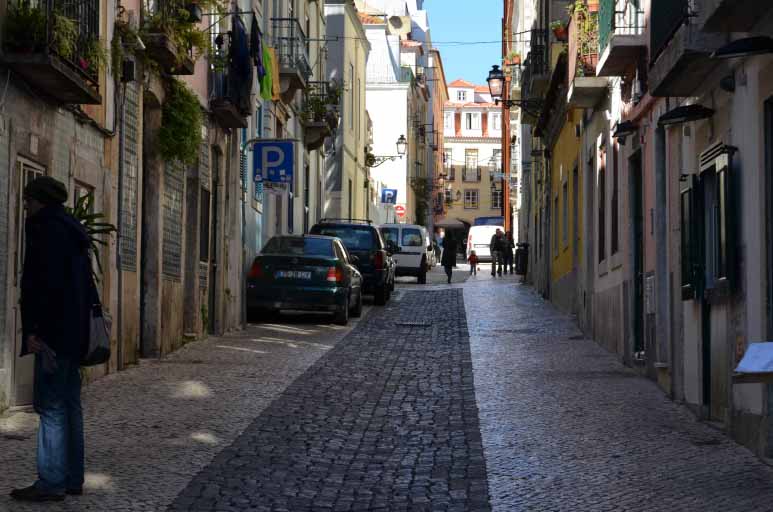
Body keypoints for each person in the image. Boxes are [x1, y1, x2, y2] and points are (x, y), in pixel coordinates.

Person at [11, 176, 94, 503]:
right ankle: (73, 478)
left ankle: (51, 481)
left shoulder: (44, 230)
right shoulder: (73, 230)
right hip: (75, 332)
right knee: (70, 405)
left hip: (53, 334)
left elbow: (41, 286)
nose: (25, 205)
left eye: (28, 200)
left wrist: (34, 330)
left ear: (40, 201)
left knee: (52, 407)